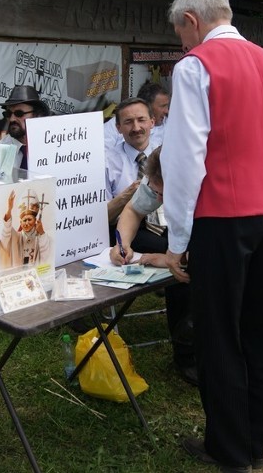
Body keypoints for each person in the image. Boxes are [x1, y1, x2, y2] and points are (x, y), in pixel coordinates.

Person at [161, 0, 263, 473]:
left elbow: (184, 159)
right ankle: (255, 440)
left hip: (225, 213)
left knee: (218, 333)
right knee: (258, 329)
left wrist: (179, 238)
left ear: (193, 21)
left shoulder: (195, 66)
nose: (181, 42)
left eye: (180, 31)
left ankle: (229, 448)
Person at [109, 147, 196, 385]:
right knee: (177, 275)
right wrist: (123, 243)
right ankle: (185, 354)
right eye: (156, 192)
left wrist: (171, 258)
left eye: (165, 195)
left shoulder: (206, 186)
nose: (159, 201)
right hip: (185, 238)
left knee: (184, 273)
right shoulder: (159, 175)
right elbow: (134, 210)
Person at [104, 97, 156, 224]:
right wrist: (128, 194)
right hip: (121, 230)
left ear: (152, 122)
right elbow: (101, 219)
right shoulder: (106, 163)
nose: (136, 128)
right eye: (128, 122)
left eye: (141, 120)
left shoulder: (167, 156)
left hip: (166, 229)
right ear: (118, 128)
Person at [0, 85, 51, 169]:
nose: (12, 119)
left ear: (36, 115)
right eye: (8, 114)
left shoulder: (50, 145)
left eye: (19, 114)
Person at [103, 82, 170, 149]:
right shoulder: (117, 123)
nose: (167, 111)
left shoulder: (169, 125)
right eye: (162, 106)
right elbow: (102, 151)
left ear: (152, 122)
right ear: (147, 105)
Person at [0, 189, 51, 269]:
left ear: (35, 220)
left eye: (29, 219)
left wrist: (42, 233)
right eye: (24, 220)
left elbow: (46, 255)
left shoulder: (41, 238)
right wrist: (9, 209)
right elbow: (6, 234)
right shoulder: (16, 237)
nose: (27, 223)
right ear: (20, 222)